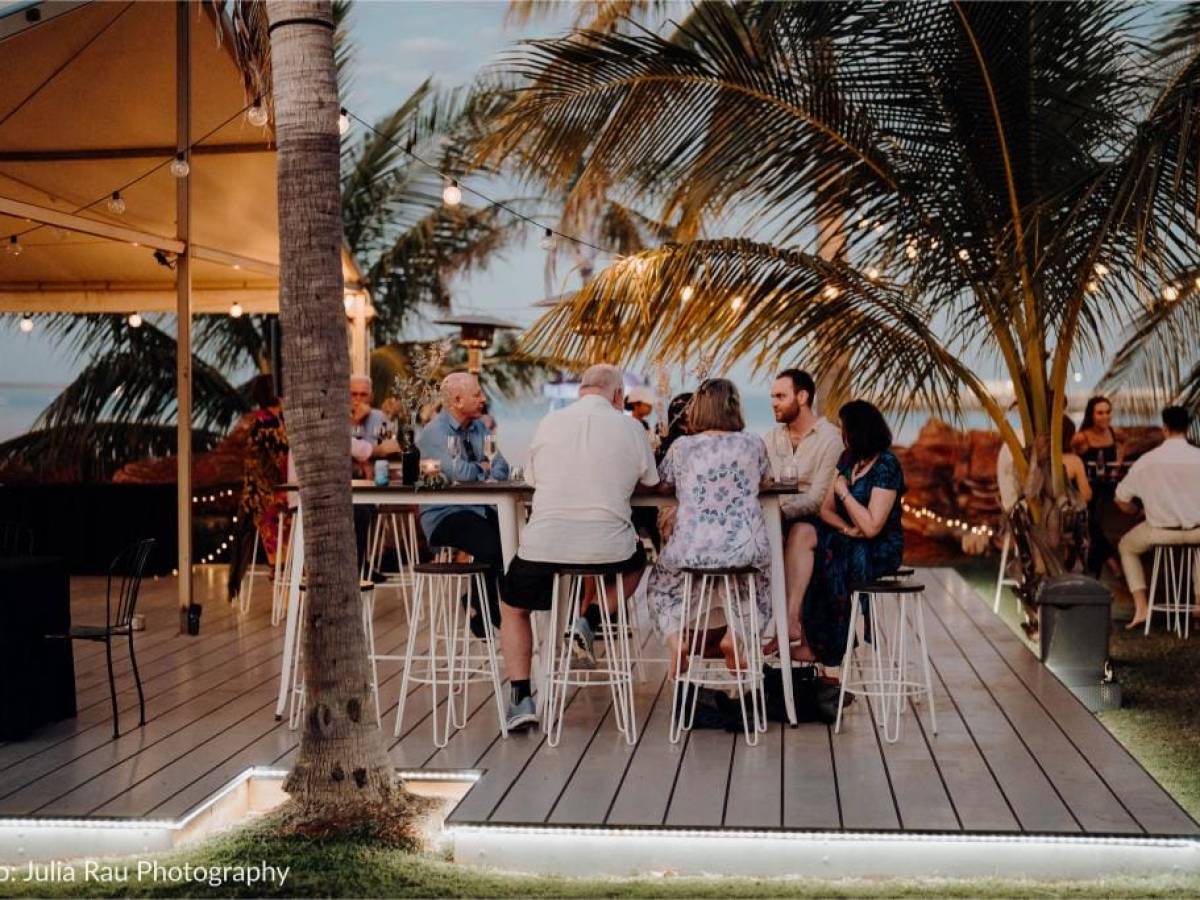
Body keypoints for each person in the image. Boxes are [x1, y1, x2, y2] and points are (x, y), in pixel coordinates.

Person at [501, 364, 658, 730]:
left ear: (580, 391)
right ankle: (590, 619)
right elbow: (651, 480)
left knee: (513, 606)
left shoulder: (549, 424)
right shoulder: (631, 427)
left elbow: (532, 479)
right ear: (618, 396)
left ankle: (521, 697)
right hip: (609, 549)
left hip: (544, 544)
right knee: (639, 562)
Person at [647, 378, 773, 675]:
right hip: (745, 547)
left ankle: (676, 638)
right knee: (761, 582)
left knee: (659, 583)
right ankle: (736, 636)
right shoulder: (753, 442)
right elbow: (767, 480)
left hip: (694, 548)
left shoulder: (682, 447)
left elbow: (663, 485)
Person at [799, 400, 906, 666]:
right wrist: (847, 528)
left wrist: (844, 492)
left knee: (830, 556)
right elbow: (825, 510)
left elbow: (872, 527)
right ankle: (813, 637)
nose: (839, 432)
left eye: (843, 426)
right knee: (813, 540)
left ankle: (833, 644)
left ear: (858, 431)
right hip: (850, 539)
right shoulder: (849, 460)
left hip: (881, 549)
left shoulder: (887, 465)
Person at [416, 372, 510, 629]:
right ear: (457, 400)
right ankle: (487, 610)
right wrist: (482, 469)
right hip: (445, 514)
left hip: (478, 509)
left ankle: (480, 603)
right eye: (477, 394)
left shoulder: (479, 428)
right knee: (494, 544)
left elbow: (501, 466)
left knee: (514, 537)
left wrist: (480, 469)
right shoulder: (434, 433)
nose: (483, 399)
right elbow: (458, 473)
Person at [762, 369, 843, 655]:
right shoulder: (771, 438)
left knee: (801, 531)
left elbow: (818, 497)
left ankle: (790, 621)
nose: (774, 402)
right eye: (772, 396)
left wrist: (782, 512)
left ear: (803, 396)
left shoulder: (830, 439)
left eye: (781, 396)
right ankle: (737, 633)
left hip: (817, 521)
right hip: (774, 518)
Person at [1115, 406, 1200, 630]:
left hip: (1159, 532)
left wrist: (1137, 511)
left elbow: (1121, 499)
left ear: (1164, 429)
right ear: (1188, 428)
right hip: (1198, 531)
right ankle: (1199, 604)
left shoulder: (1147, 461)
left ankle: (1142, 608)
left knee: (1126, 546)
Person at [228, 375, 287, 602]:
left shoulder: (278, 419)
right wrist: (277, 490)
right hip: (263, 494)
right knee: (277, 514)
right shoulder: (262, 423)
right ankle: (279, 566)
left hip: (279, 488)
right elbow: (261, 464)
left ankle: (289, 567)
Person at [1071, 395, 1126, 577]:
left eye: (1108, 412)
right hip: (1088, 487)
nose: (1105, 416)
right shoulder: (1082, 437)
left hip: (1109, 486)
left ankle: (1095, 573)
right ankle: (1109, 561)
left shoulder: (1112, 432)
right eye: (1100, 413)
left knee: (1095, 522)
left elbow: (1124, 443)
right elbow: (1069, 456)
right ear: (1091, 415)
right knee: (1091, 519)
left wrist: (1118, 462)